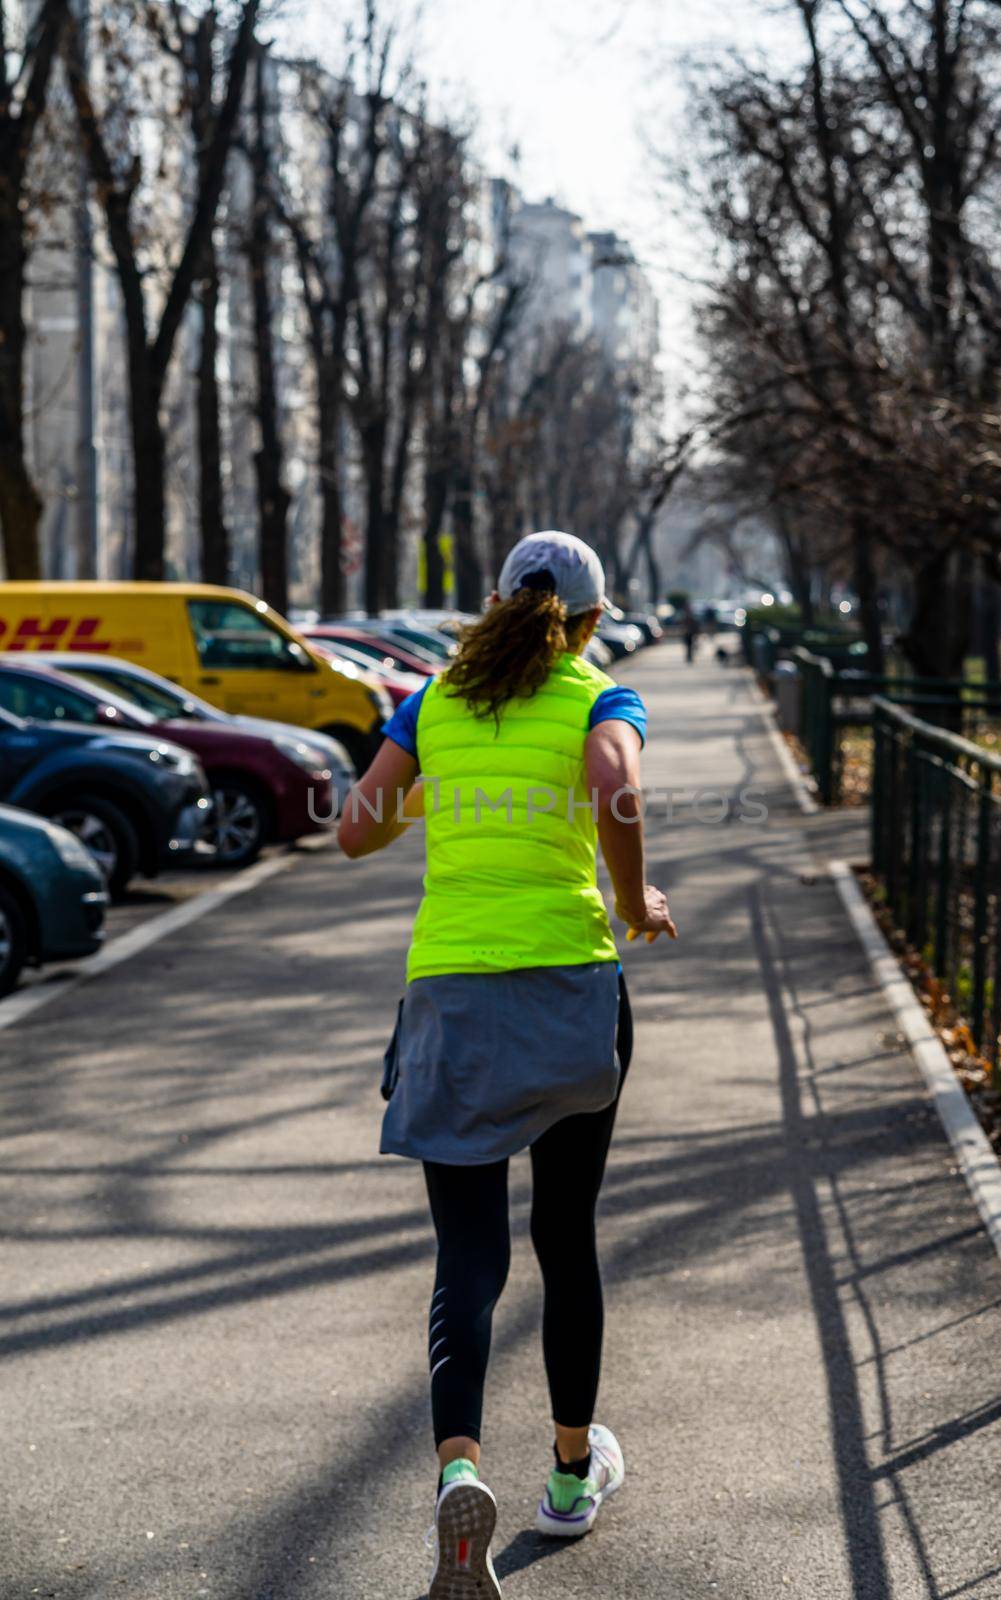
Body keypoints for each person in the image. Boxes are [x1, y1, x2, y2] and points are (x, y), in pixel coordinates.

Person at [338, 531, 676, 1597]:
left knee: (466, 1255)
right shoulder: (596, 693)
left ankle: (456, 1472)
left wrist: (441, 793)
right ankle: (570, 1475)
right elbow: (614, 791)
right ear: (588, 619)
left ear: (492, 605)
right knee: (564, 1234)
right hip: (568, 988)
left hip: (451, 997)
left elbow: (355, 830)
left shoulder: (430, 700)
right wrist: (635, 901)